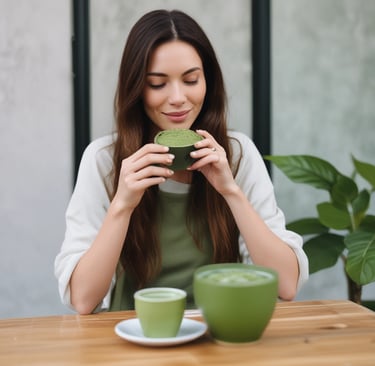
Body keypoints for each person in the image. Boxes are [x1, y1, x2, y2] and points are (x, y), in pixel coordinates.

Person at [55, 9, 308, 314]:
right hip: (133, 339)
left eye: (191, 80)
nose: (177, 97)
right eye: (158, 84)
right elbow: (83, 300)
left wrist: (231, 192)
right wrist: (123, 203)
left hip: (221, 336)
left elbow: (286, 285)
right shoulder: (104, 160)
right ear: (135, 88)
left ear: (207, 82)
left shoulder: (237, 153)